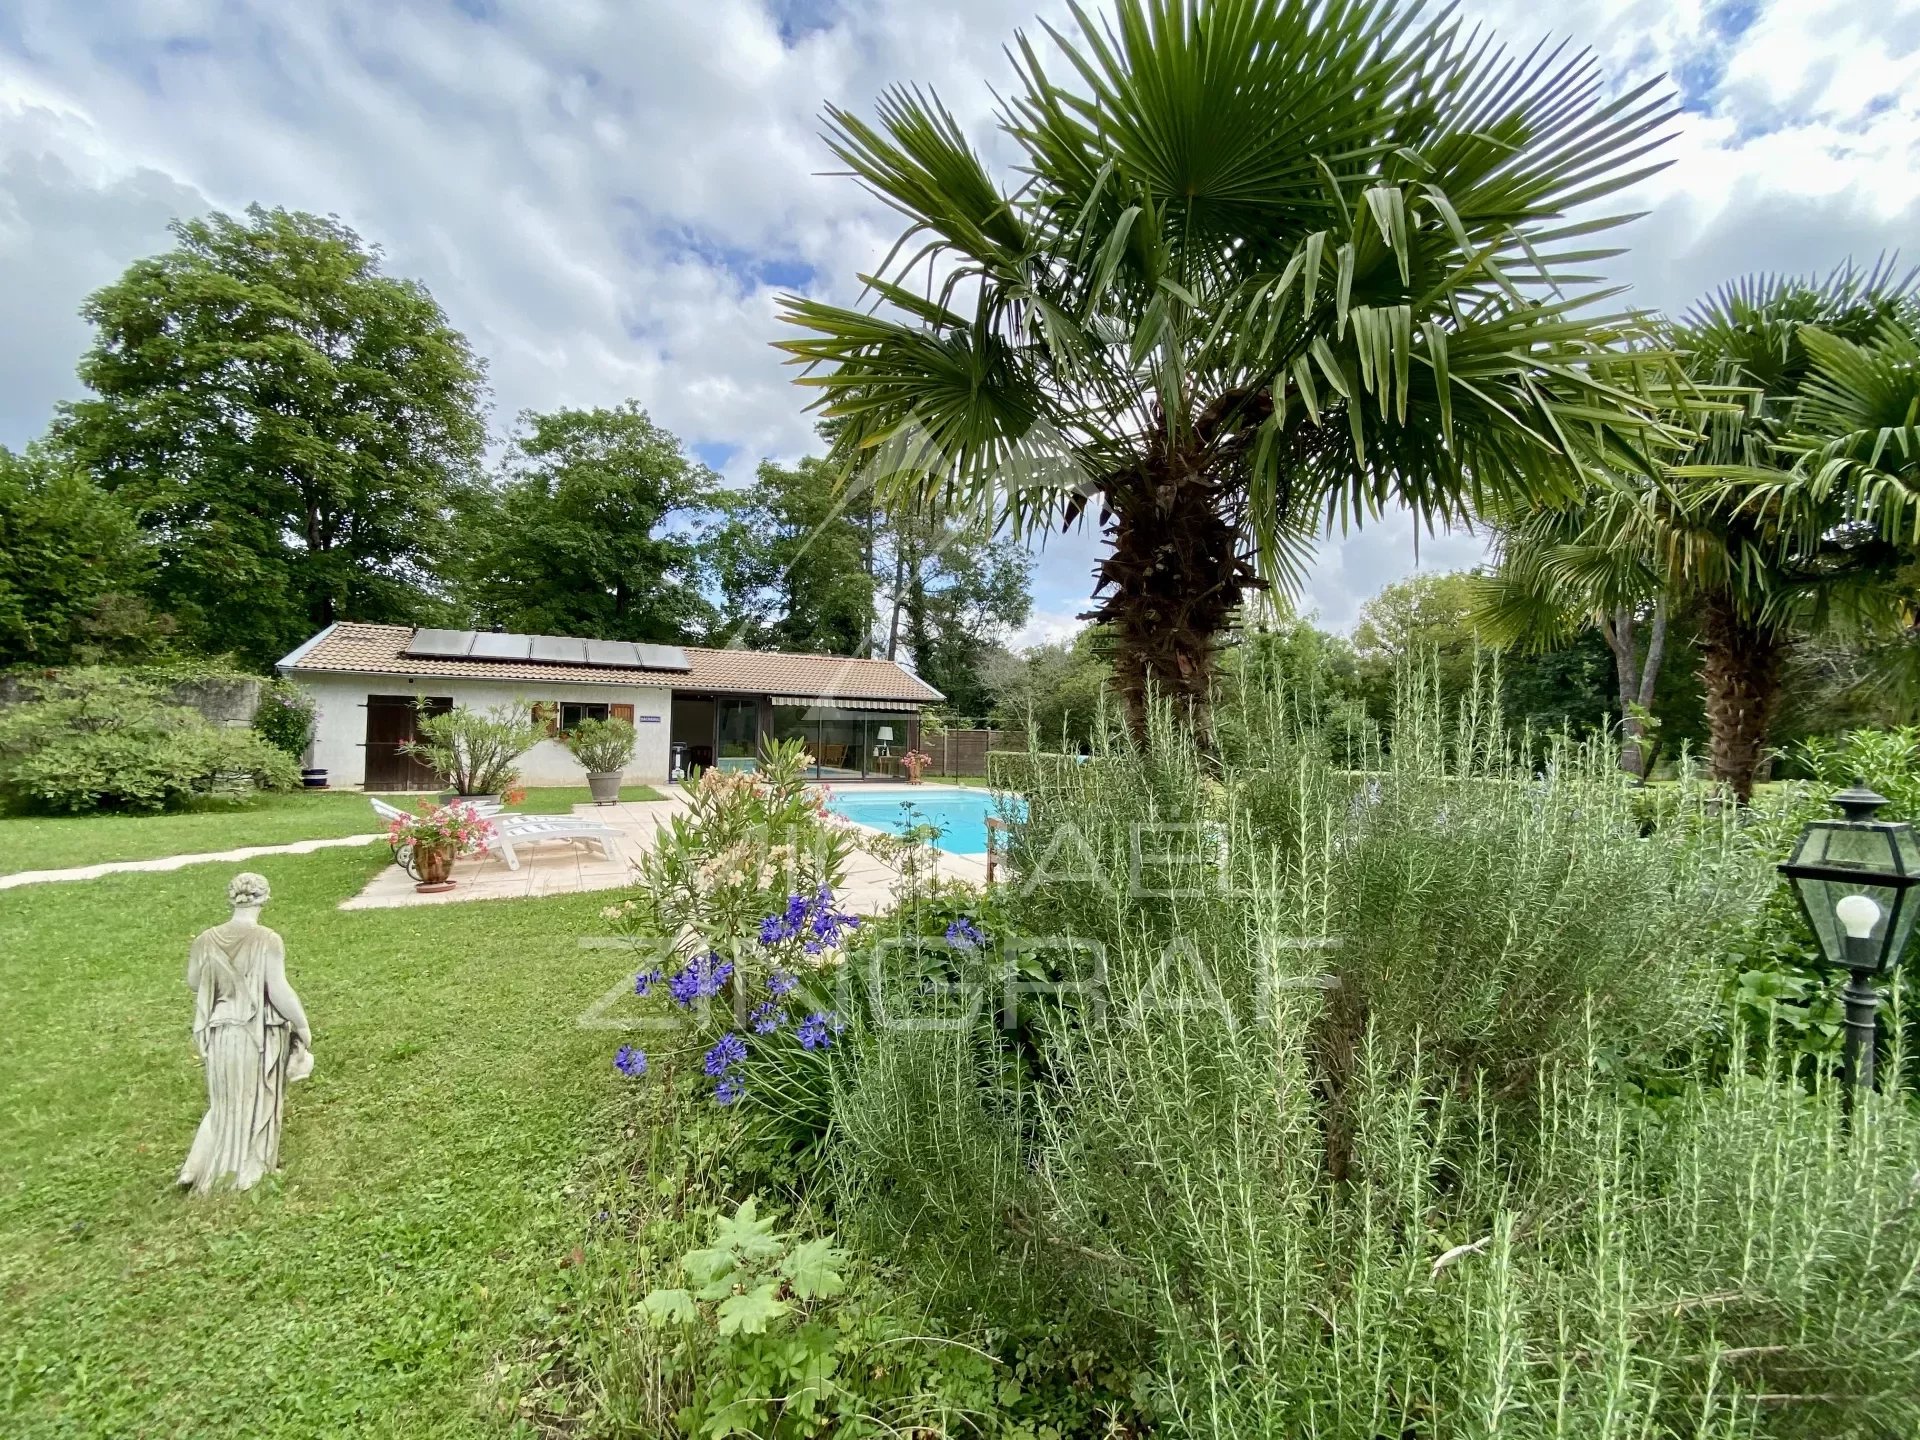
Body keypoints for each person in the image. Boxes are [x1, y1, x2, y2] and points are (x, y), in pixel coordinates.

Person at [177, 872, 313, 1195]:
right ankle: (251, 1170)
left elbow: (195, 982)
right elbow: (278, 989)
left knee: (223, 1104)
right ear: (263, 899)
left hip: (222, 1034)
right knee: (255, 1101)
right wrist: (303, 1024)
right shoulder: (267, 940)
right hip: (257, 1035)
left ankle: (196, 1169)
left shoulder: (205, 940)